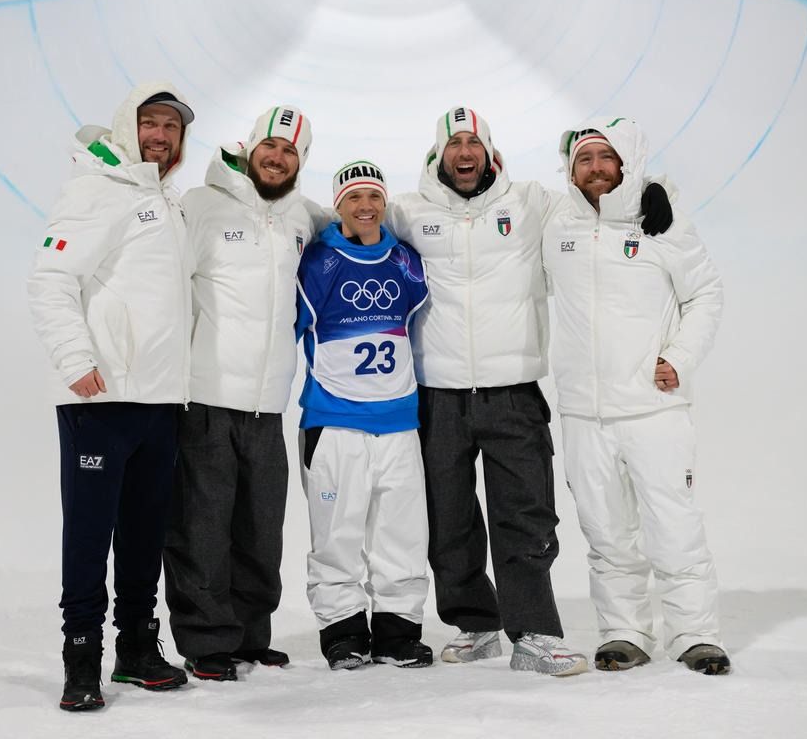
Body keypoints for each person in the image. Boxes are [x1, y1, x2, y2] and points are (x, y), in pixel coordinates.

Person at [386, 107, 673, 677]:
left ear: (490, 153)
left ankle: (535, 633)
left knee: (524, 515)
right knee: (447, 518)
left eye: (474, 143)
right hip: (437, 394)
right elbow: (352, 216)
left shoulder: (532, 203)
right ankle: (475, 623)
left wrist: (652, 191)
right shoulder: (408, 212)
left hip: (513, 391)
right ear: (438, 155)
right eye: (454, 144)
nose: (464, 153)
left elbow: (597, 192)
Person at [28, 82, 195, 711]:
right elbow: (50, 278)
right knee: (89, 534)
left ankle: (137, 647)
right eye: (150, 123)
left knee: (144, 533)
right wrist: (75, 359)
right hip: (101, 401)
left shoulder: (165, 200)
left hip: (159, 399)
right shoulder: (97, 189)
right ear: (128, 126)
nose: (160, 135)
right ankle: (81, 659)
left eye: (171, 127)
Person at [545, 117, 728, 675]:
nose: (596, 168)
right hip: (584, 413)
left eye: (607, 157)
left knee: (673, 526)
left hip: (653, 409)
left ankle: (695, 634)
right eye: (584, 159)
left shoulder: (661, 222)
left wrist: (680, 358)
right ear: (570, 170)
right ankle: (624, 632)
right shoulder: (557, 225)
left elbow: (705, 293)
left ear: (626, 163)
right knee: (606, 534)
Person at [163, 106, 326, 682]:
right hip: (205, 397)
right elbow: (166, 285)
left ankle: (251, 635)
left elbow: (356, 218)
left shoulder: (301, 216)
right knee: (202, 528)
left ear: (300, 162)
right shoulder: (200, 205)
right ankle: (207, 641)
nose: (277, 159)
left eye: (290, 152)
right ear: (249, 148)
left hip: (267, 404)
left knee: (260, 529)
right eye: (270, 147)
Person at [296, 161, 432, 671]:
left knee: (403, 532)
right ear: (339, 205)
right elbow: (287, 328)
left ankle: (398, 633)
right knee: (337, 534)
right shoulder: (318, 262)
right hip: (335, 422)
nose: (366, 206)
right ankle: (343, 632)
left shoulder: (405, 261)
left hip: (398, 422)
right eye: (354, 197)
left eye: (374, 196)